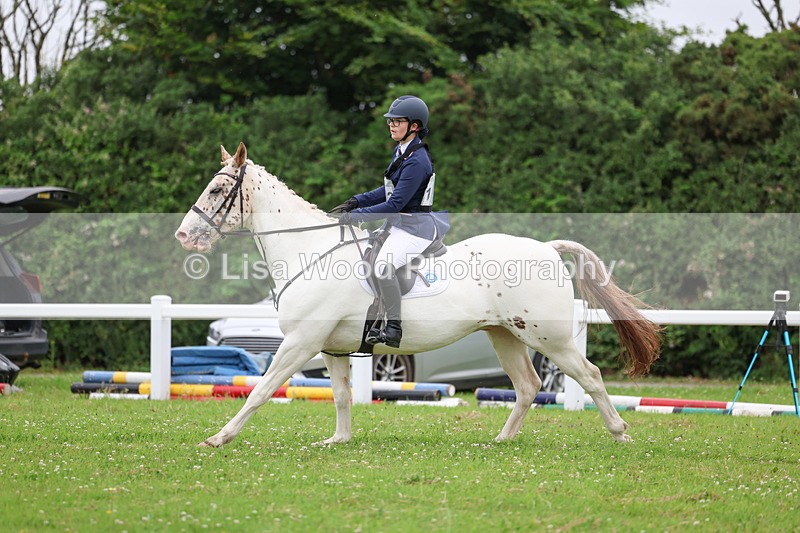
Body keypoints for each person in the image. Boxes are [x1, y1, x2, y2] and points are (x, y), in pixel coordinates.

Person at [330, 95, 449, 348]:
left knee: (383, 265)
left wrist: (357, 216)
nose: (392, 125)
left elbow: (394, 204)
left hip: (415, 229)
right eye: (390, 121)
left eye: (397, 121)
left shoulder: (417, 161)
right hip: (399, 225)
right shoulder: (403, 151)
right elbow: (387, 190)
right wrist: (356, 201)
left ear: (414, 126)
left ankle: (394, 327)